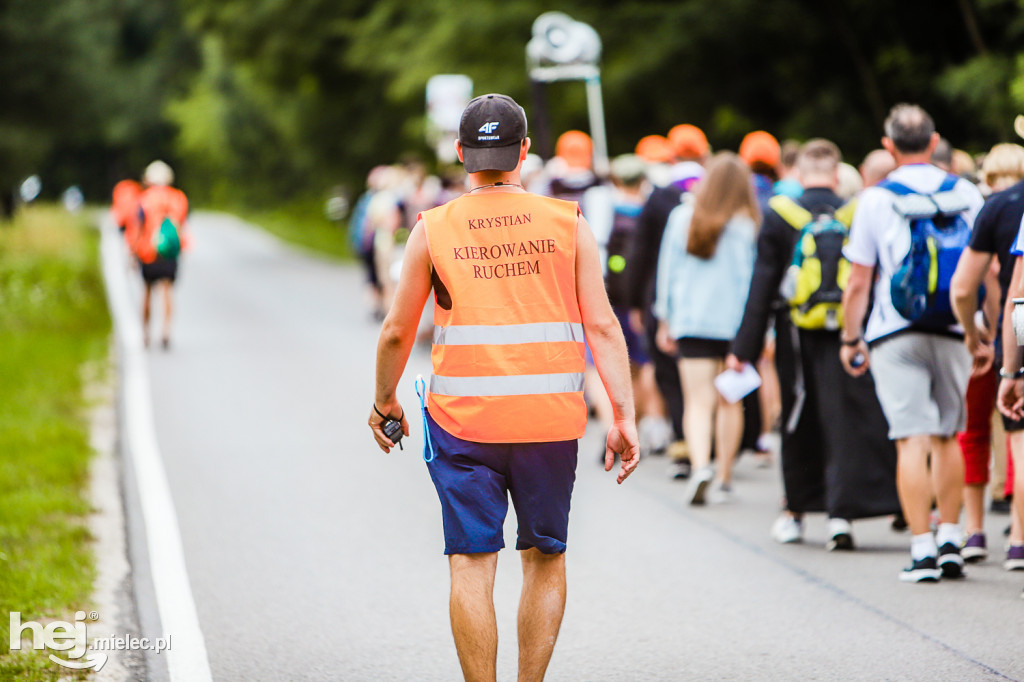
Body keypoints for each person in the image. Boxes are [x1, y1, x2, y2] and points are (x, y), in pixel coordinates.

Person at [368, 94, 639, 682]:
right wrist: (624, 415)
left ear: (462, 154)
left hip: (464, 422)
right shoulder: (568, 225)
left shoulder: (432, 229)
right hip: (549, 420)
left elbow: (396, 331)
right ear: (524, 151)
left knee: (470, 562)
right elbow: (602, 326)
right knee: (545, 557)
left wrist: (384, 399)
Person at [728, 139, 900, 549]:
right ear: (838, 173)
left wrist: (744, 348)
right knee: (844, 420)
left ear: (799, 174)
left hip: (796, 337)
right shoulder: (857, 210)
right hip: (848, 334)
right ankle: (842, 516)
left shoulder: (779, 214)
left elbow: (763, 284)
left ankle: (796, 513)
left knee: (798, 419)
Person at [840, 104, 984, 582]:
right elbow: (992, 269)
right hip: (954, 328)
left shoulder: (876, 199)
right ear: (934, 140)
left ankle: (921, 549)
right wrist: (980, 330)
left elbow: (860, 279)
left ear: (888, 146)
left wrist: (850, 336)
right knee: (948, 435)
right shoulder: (966, 191)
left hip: (894, 329)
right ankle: (950, 538)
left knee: (910, 439)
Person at [655, 152, 758, 504]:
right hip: (736, 326)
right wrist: (762, 332)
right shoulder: (747, 224)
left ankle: (700, 466)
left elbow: (668, 273)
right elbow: (752, 281)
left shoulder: (683, 217)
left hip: (692, 321)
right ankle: (725, 475)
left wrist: (664, 317)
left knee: (697, 402)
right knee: (731, 401)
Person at [950, 143, 1024, 563]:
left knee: (980, 434)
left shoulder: (996, 208)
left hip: (1000, 341)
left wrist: (1011, 361)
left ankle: (978, 532)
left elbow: (1015, 294)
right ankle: (1016, 535)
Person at [625, 124, 711, 479]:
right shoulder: (715, 190)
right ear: (704, 153)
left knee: (671, 375)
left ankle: (685, 444)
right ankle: (714, 447)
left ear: (672, 155)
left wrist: (635, 303)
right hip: (713, 298)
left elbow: (641, 253)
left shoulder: (660, 197)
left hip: (664, 296)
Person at [125, 161, 189, 349]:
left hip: (147, 252)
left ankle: (145, 334)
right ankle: (166, 331)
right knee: (167, 290)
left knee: (147, 291)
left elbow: (136, 228)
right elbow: (180, 226)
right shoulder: (178, 198)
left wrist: (132, 253)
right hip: (169, 253)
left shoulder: (143, 199)